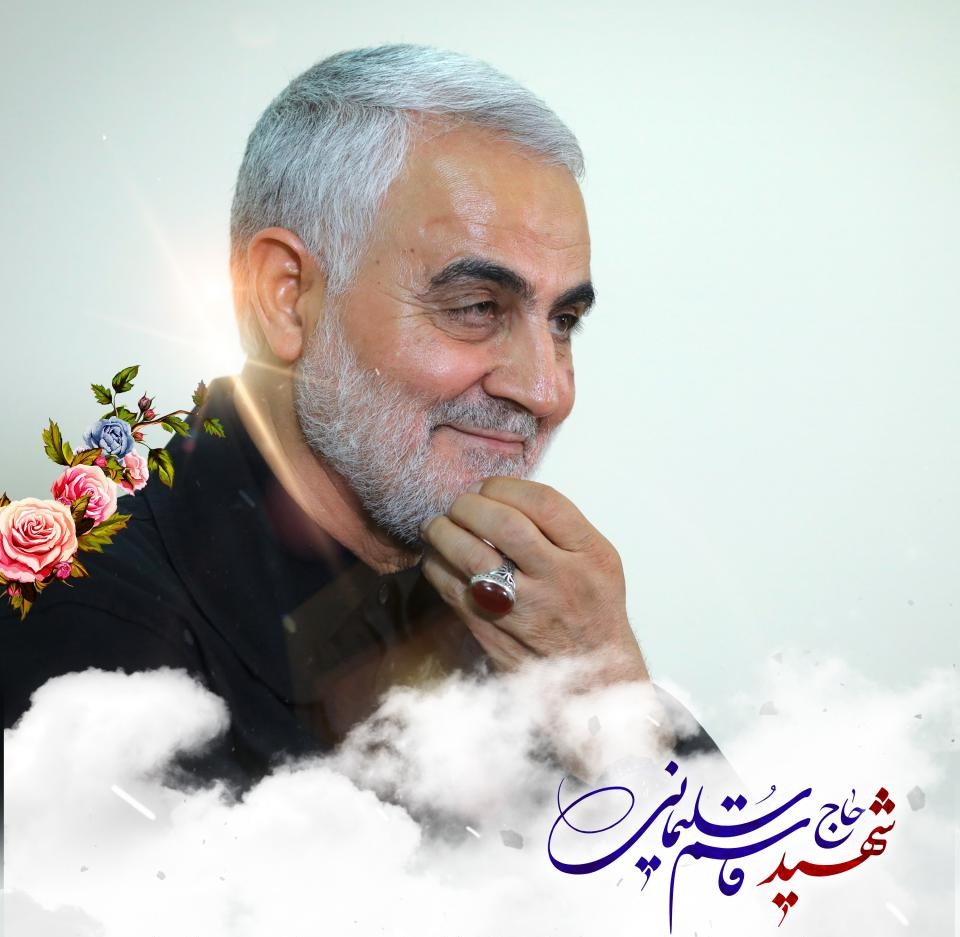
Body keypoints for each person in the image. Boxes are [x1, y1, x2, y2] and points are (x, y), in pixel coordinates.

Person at [1, 45, 719, 785]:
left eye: (563, 321)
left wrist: (610, 699)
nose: (546, 391)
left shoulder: (532, 618)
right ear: (286, 298)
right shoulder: (79, 649)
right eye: (477, 307)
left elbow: (743, 855)